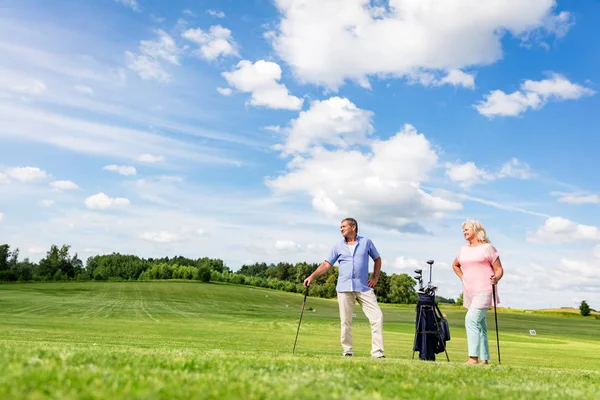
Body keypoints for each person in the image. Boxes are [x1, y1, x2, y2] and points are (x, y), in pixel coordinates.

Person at [303, 217, 385, 358]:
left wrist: (375, 278)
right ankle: (347, 351)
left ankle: (377, 353)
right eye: (340, 227)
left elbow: (377, 259)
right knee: (345, 321)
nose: (341, 229)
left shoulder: (366, 242)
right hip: (344, 288)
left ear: (353, 227)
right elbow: (327, 264)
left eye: (344, 226)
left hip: (363, 287)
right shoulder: (337, 246)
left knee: (377, 317)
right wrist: (312, 276)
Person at [452, 219, 504, 365]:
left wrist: (496, 278)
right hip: (470, 292)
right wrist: (464, 278)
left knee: (471, 320)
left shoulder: (488, 248)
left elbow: (499, 269)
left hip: (485, 289)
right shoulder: (463, 249)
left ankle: (472, 358)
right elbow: (455, 265)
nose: (464, 232)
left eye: (467, 229)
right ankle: (484, 359)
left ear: (476, 230)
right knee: (480, 325)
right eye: (463, 230)